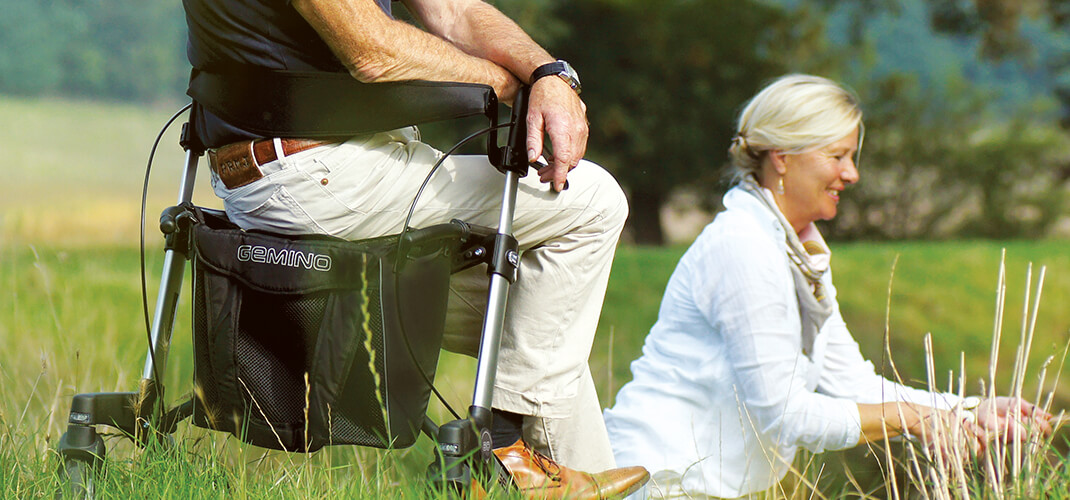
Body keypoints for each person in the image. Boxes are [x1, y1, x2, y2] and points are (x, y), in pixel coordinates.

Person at [182, 0, 649, 497]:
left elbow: (454, 9)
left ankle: (544, 473)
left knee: (543, 329)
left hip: (319, 166)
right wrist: (514, 84)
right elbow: (372, 50)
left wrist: (545, 72)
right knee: (594, 200)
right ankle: (501, 451)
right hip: (317, 172)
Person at [602, 74, 1054, 499]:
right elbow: (784, 415)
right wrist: (914, 419)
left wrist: (970, 410)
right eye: (837, 156)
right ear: (783, 156)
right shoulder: (744, 249)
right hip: (656, 482)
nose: (852, 174)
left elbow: (852, 382)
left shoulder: (798, 251)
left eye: (851, 157)